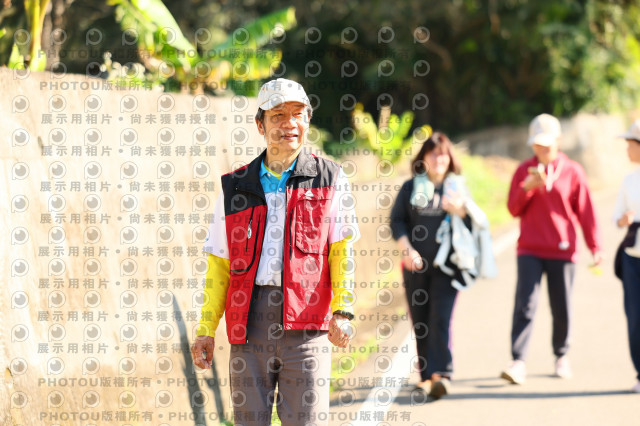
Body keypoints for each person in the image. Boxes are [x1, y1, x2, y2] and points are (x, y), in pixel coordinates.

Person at [191, 78, 359, 425]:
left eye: (297, 114)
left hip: (308, 324)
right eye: (278, 115)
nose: (289, 124)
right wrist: (206, 328)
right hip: (249, 325)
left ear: (308, 120)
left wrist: (342, 310)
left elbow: (340, 250)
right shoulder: (235, 186)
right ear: (260, 125)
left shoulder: (330, 178)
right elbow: (220, 263)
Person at [390, 131, 493, 400]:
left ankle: (442, 374)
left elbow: (475, 224)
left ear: (450, 159)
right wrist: (407, 250)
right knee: (420, 321)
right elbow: (397, 221)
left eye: (443, 155)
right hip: (415, 267)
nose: (439, 160)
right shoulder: (411, 187)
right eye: (433, 154)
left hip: (448, 266)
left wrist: (460, 210)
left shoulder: (457, 189)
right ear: (423, 158)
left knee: (441, 319)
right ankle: (426, 377)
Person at [501, 113, 602, 385]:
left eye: (547, 143)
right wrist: (527, 188)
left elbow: (586, 212)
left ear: (558, 141)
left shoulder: (573, 171)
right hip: (529, 249)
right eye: (538, 144)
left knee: (561, 306)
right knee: (525, 304)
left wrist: (595, 246)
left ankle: (561, 355)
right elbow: (512, 209)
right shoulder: (524, 170)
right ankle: (518, 361)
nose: (543, 148)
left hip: (563, 249)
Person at [612, 119, 640, 394]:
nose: (627, 150)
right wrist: (623, 220)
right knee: (634, 318)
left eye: (630, 144)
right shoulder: (629, 181)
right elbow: (616, 217)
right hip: (632, 256)